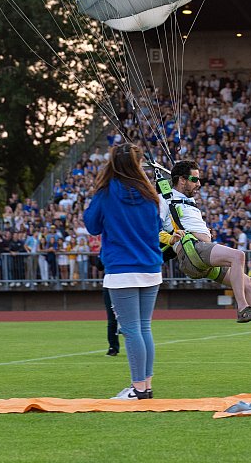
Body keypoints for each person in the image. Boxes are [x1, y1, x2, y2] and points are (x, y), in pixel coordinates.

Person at [162, 161, 251, 348]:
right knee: (237, 256)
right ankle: (242, 308)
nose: (199, 183)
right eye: (194, 179)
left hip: (200, 252)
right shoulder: (164, 200)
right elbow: (152, 228)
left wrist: (205, 233)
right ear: (182, 180)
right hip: (190, 251)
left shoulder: (187, 200)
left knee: (249, 283)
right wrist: (170, 238)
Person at [83, 144, 168, 399]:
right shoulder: (150, 193)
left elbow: (92, 226)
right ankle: (146, 386)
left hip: (121, 269)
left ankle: (138, 389)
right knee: (143, 328)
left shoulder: (107, 192)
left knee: (131, 329)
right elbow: (158, 225)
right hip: (150, 266)